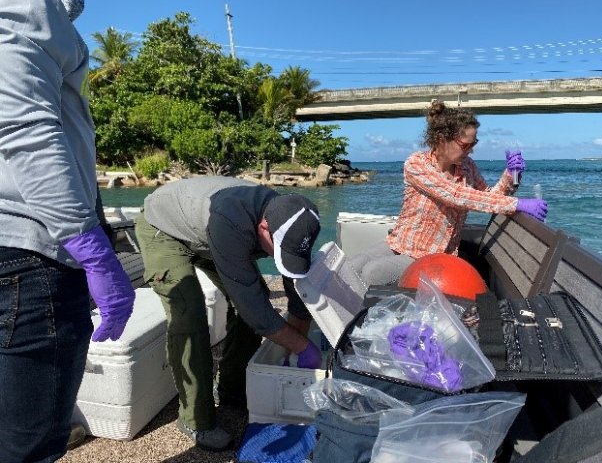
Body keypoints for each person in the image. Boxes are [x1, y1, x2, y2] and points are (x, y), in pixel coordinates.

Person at [0, 0, 135, 462]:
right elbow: (24, 131)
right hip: (31, 256)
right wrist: (92, 250)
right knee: (30, 446)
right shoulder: (23, 2)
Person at [134, 176, 322, 451]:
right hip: (165, 227)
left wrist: (294, 348)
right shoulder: (230, 220)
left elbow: (294, 283)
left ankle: (232, 389)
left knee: (256, 297)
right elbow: (254, 310)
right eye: (277, 249)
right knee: (190, 315)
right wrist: (303, 347)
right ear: (264, 227)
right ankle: (195, 419)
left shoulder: (291, 214)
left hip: (207, 229)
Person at [349, 100, 548, 286]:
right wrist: (517, 204)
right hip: (400, 243)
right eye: (466, 145)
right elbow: (456, 195)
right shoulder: (417, 164)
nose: (471, 151)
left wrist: (511, 175)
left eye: (474, 143)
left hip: (432, 255)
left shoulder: (468, 167)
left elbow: (489, 195)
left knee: (371, 273)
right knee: (352, 265)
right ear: (443, 140)